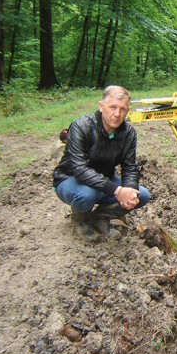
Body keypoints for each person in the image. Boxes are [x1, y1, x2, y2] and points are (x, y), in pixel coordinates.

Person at [53, 85, 150, 241]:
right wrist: (118, 191)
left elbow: (130, 167)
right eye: (112, 107)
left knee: (142, 195)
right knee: (86, 195)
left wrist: (129, 191)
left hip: (105, 179)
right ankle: (80, 219)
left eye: (122, 109)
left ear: (128, 110)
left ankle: (100, 217)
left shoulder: (129, 134)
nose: (117, 114)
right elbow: (79, 169)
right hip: (69, 179)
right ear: (101, 106)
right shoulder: (81, 127)